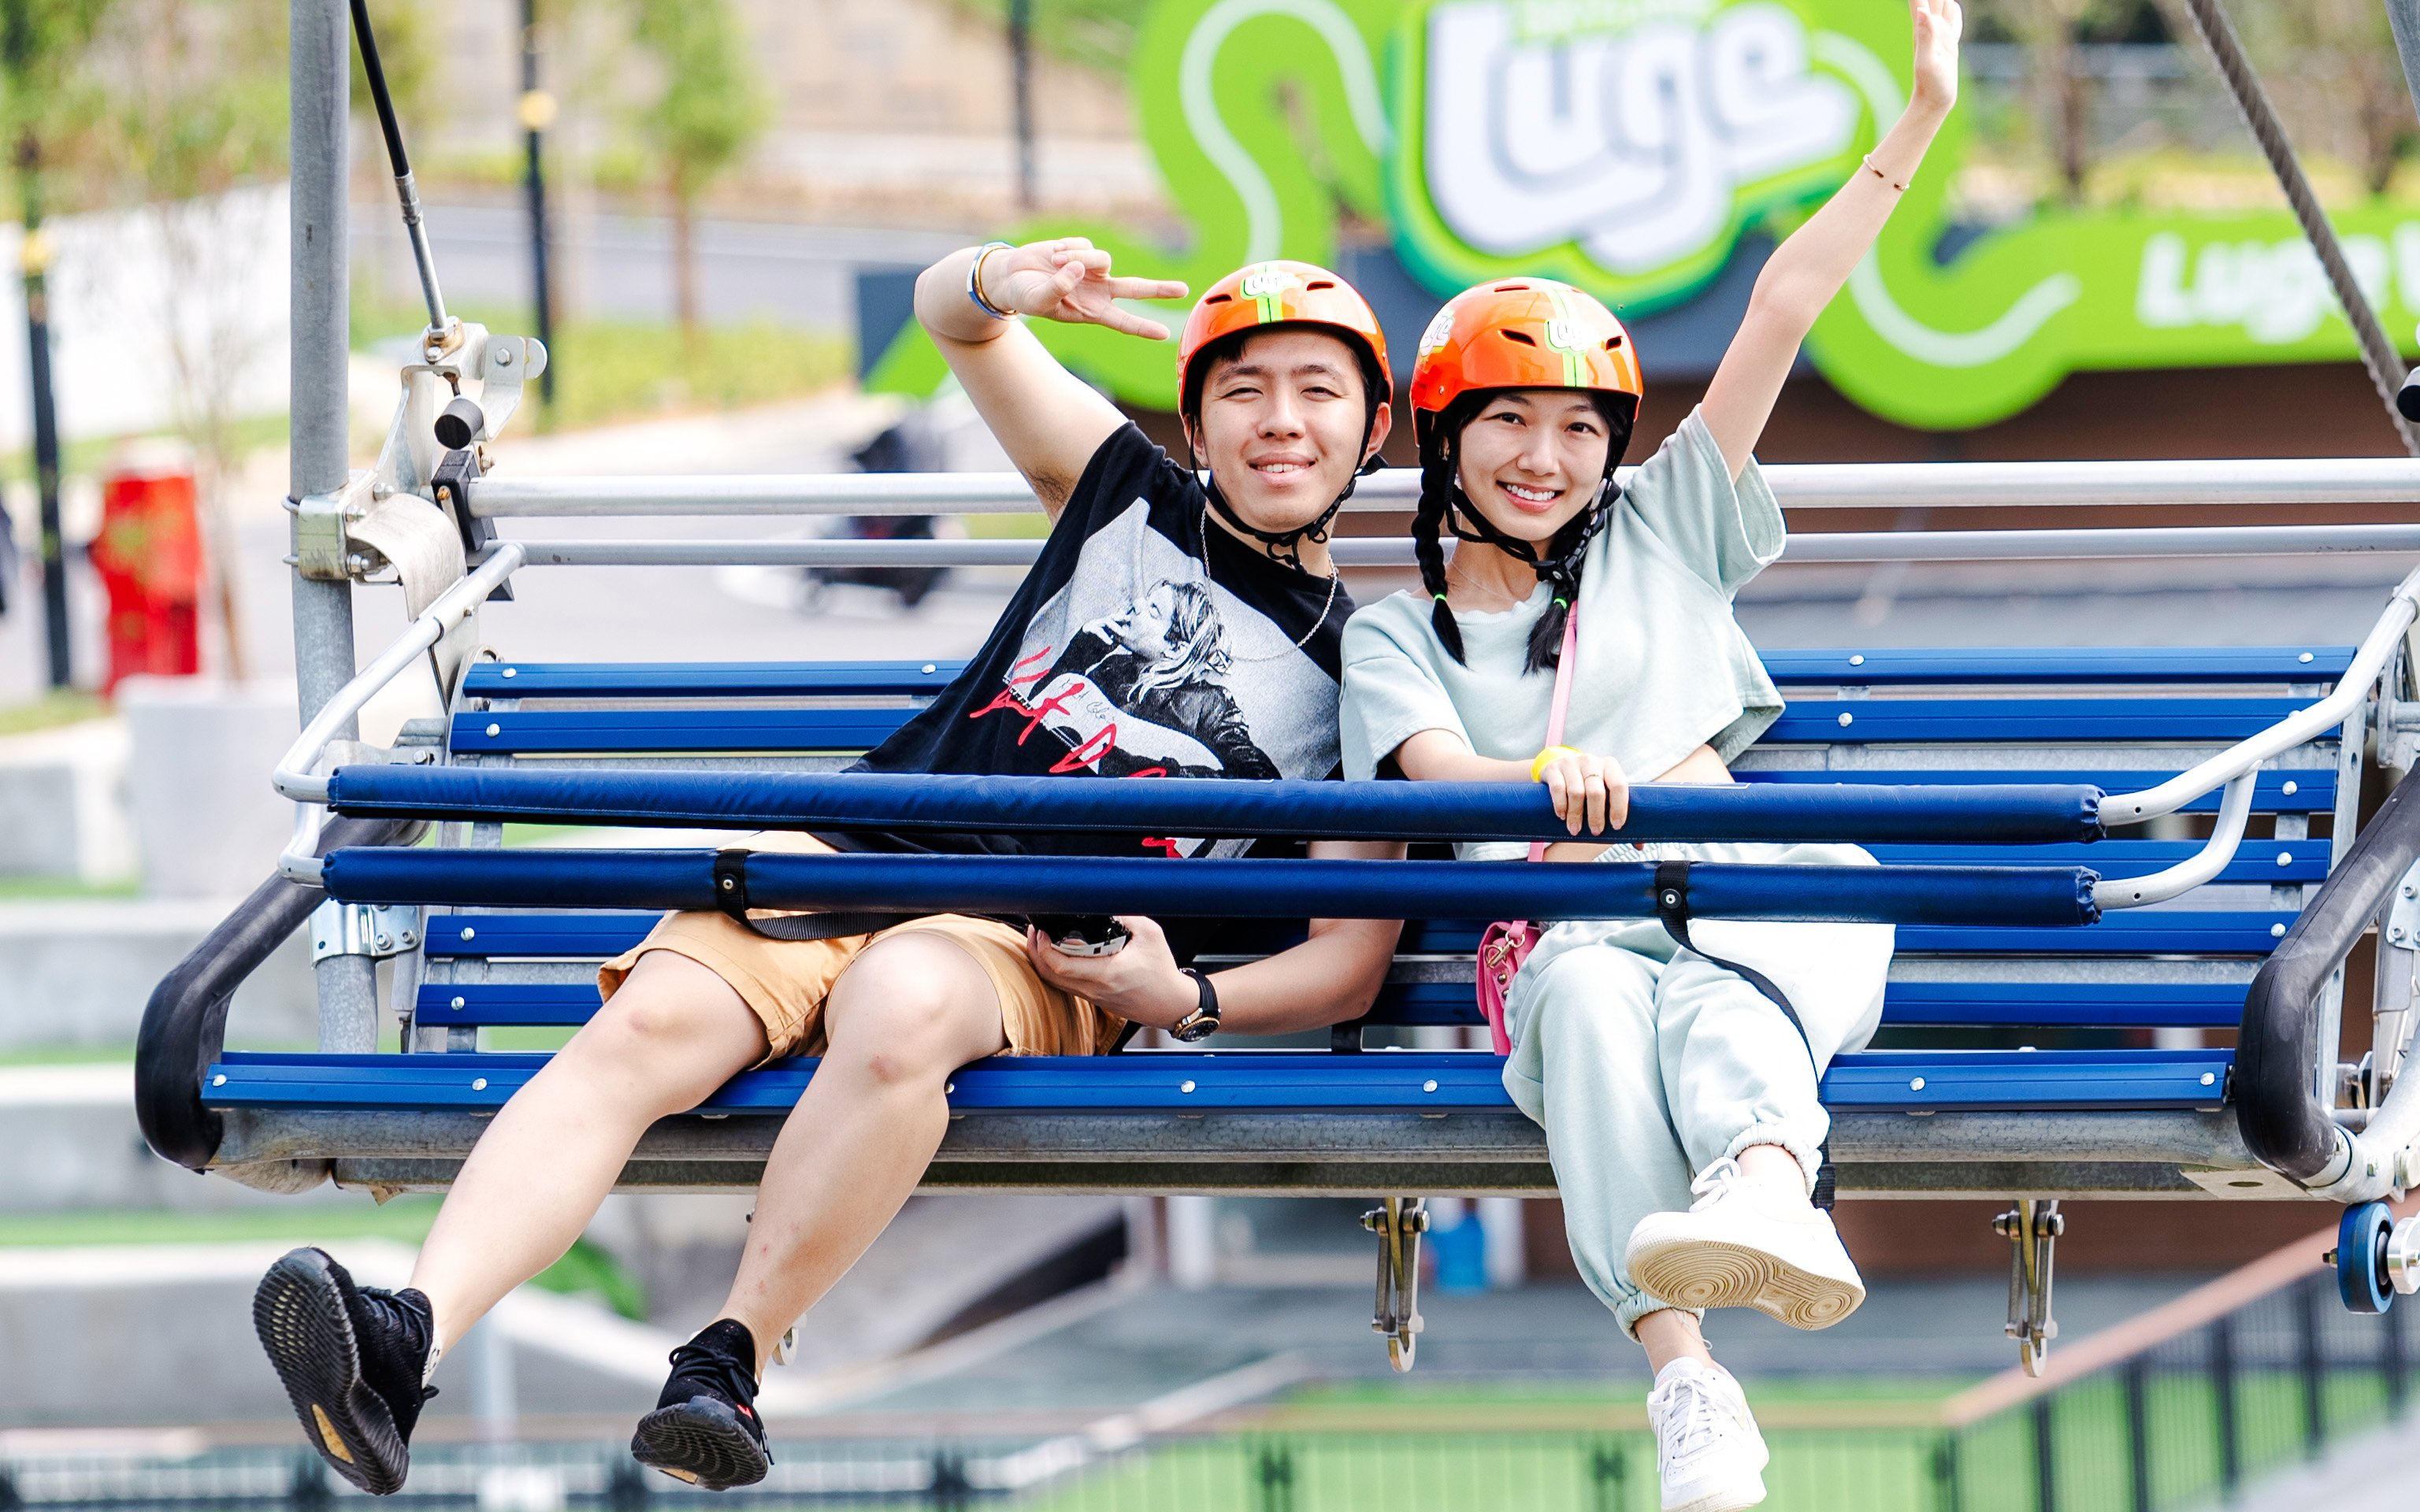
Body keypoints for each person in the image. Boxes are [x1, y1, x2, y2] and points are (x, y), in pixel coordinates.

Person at [251, 245, 1407, 1495]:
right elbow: (949, 322)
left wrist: (1187, 1002)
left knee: (906, 1001)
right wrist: (1006, 280)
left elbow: (1349, 962)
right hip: (862, 848)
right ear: (1195, 418)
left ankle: (727, 1362)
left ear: (1373, 428)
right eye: (1244, 390)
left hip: (1034, 941)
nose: (1280, 421)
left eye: (1317, 391)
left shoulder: (1371, 670)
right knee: (653, 1022)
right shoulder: (1126, 491)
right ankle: (404, 1338)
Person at [1337, 5, 1960, 1510]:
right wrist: (1545, 793)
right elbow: (1425, 771)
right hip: (1560, 921)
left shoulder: (1665, 529)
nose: (1544, 459)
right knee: (1598, 1005)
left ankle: (1761, 1177)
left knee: (1742, 917)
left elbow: (1780, 313)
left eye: (1574, 428)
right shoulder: (1392, 630)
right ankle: (1690, 1383)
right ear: (1445, 441)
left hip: (1726, 881)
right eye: (1506, 425)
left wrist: (1919, 119)